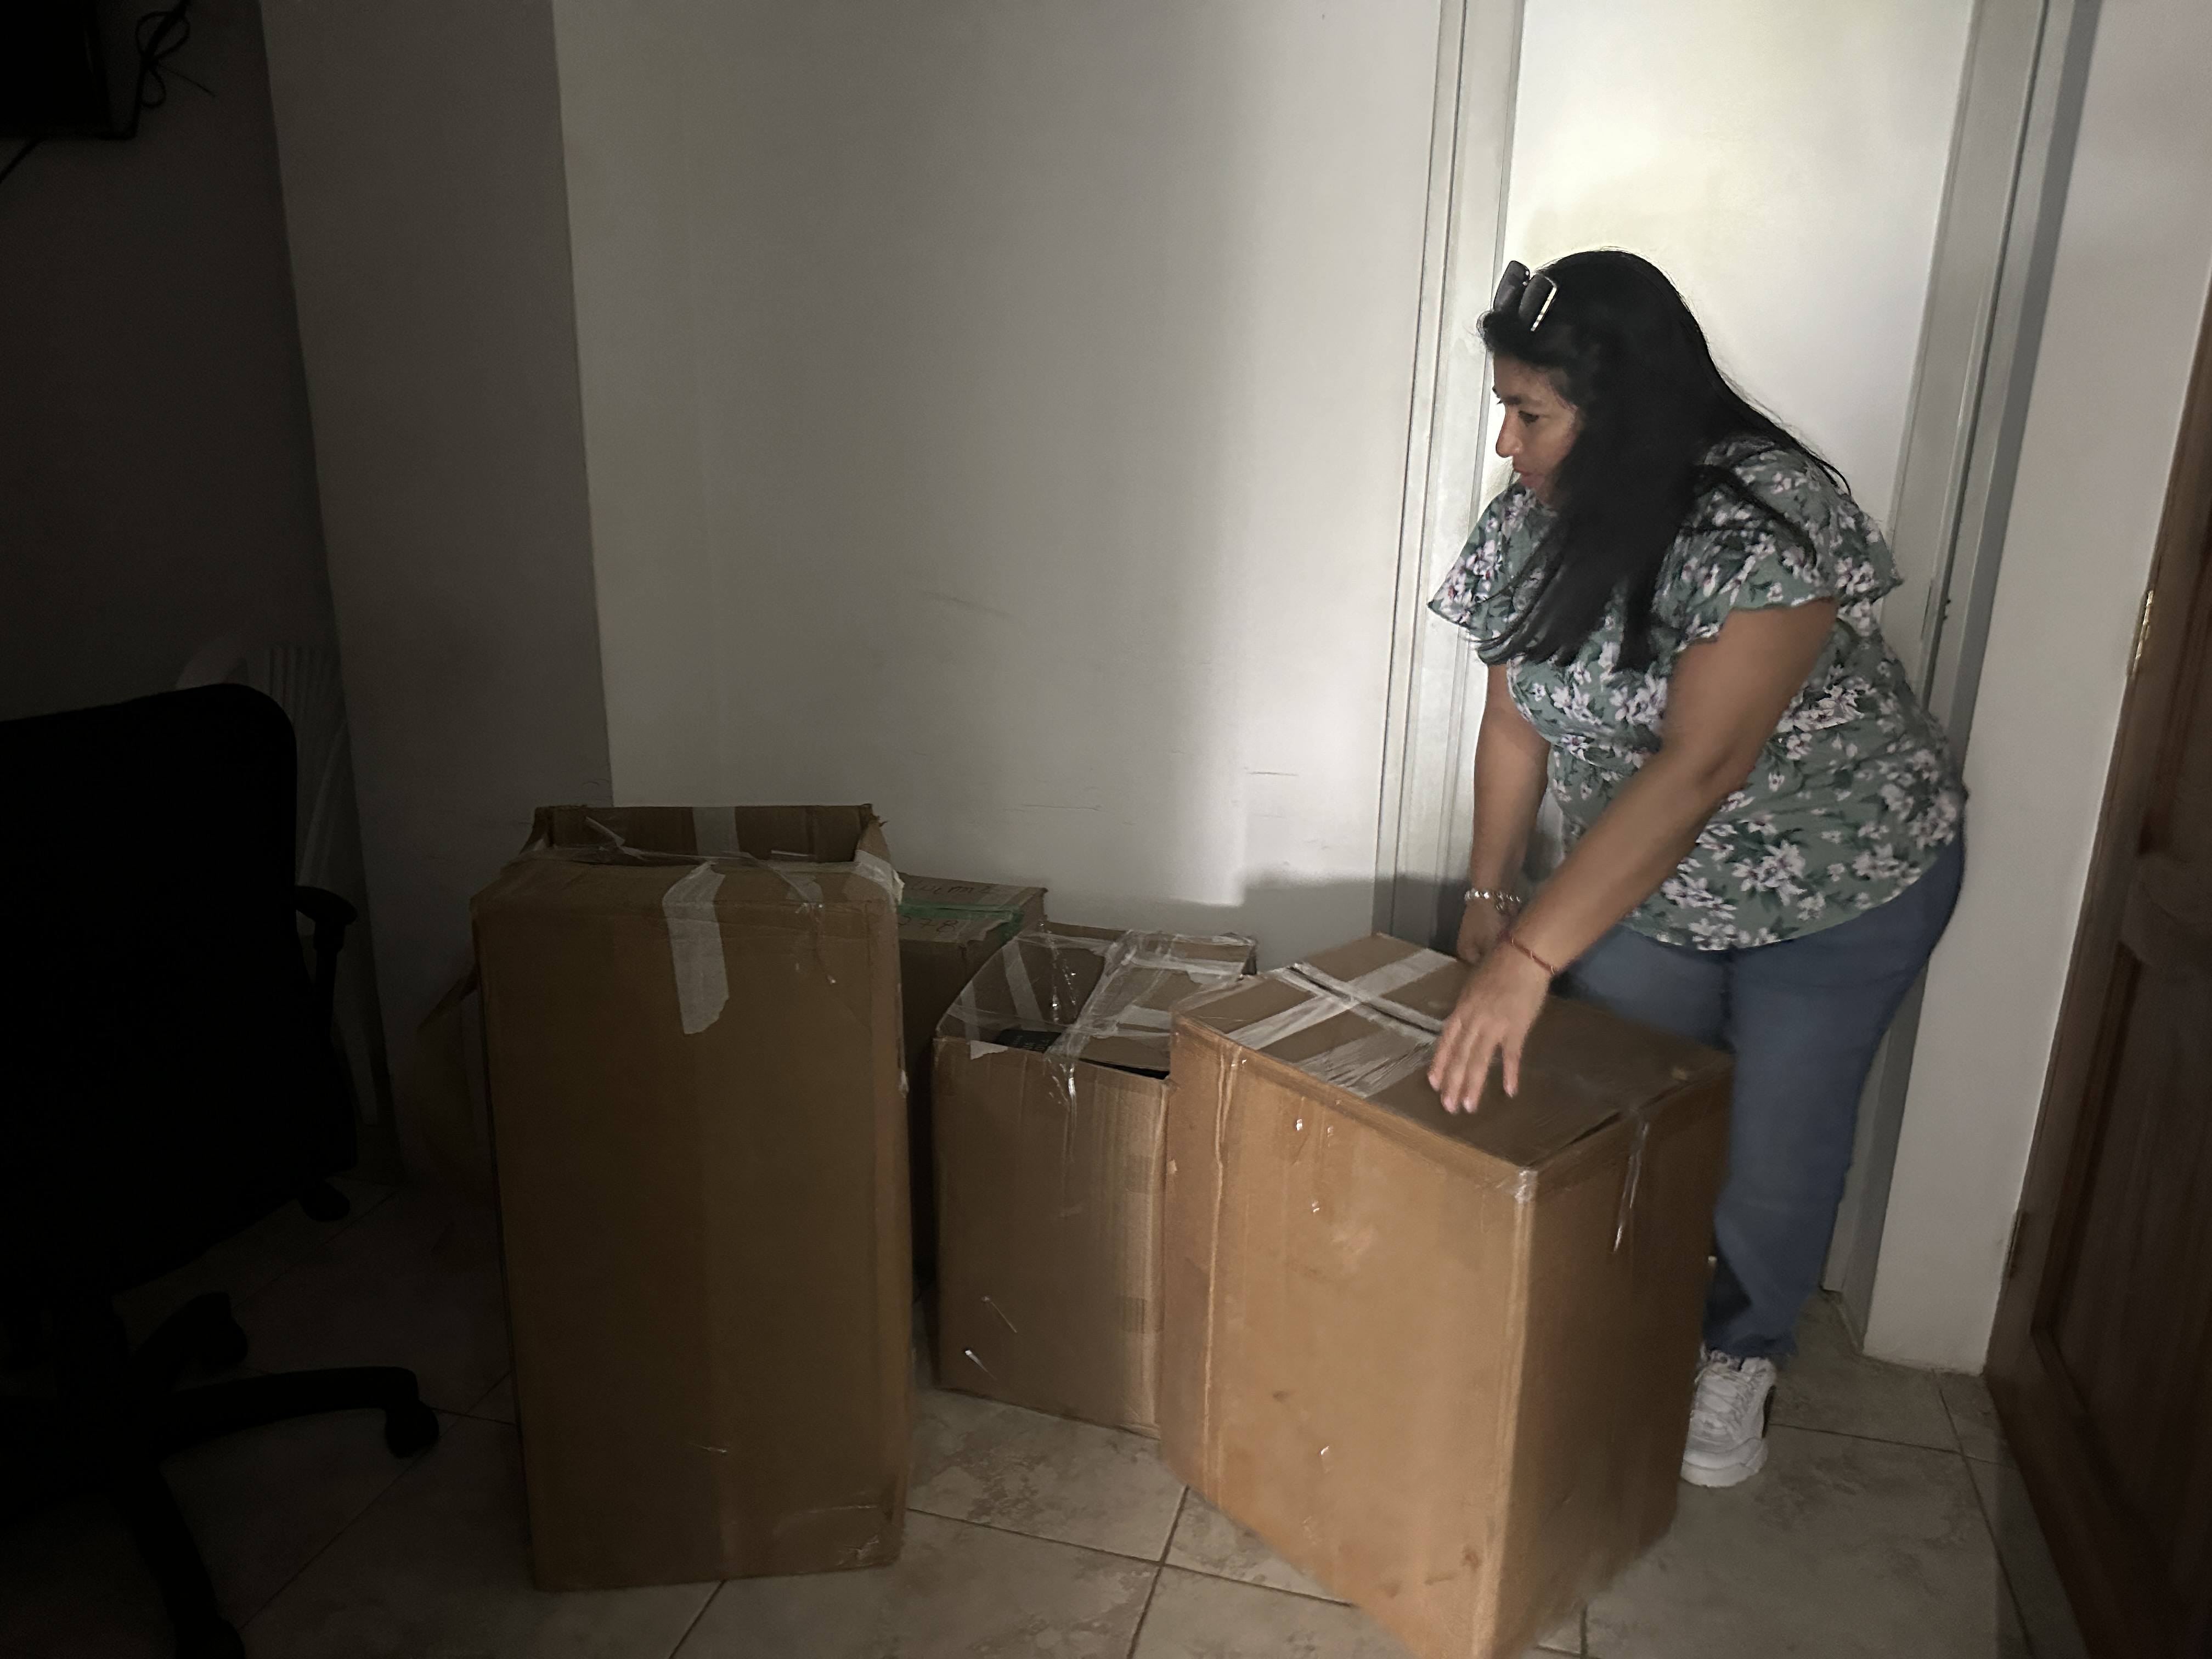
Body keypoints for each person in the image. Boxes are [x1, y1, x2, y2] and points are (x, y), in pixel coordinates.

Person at [1424, 250, 1966, 1488]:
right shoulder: (1534, 516)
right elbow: (1515, 721)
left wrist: (1528, 961)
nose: (1506, 444)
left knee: (1775, 1146)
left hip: (1835, 885)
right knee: (1634, 1105)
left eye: (1530, 414)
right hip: (1639, 886)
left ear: (1621, 408)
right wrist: (1490, 897)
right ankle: (1633, 1313)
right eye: (1505, 409)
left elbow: (1700, 768)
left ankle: (1741, 1350)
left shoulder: (1768, 522)